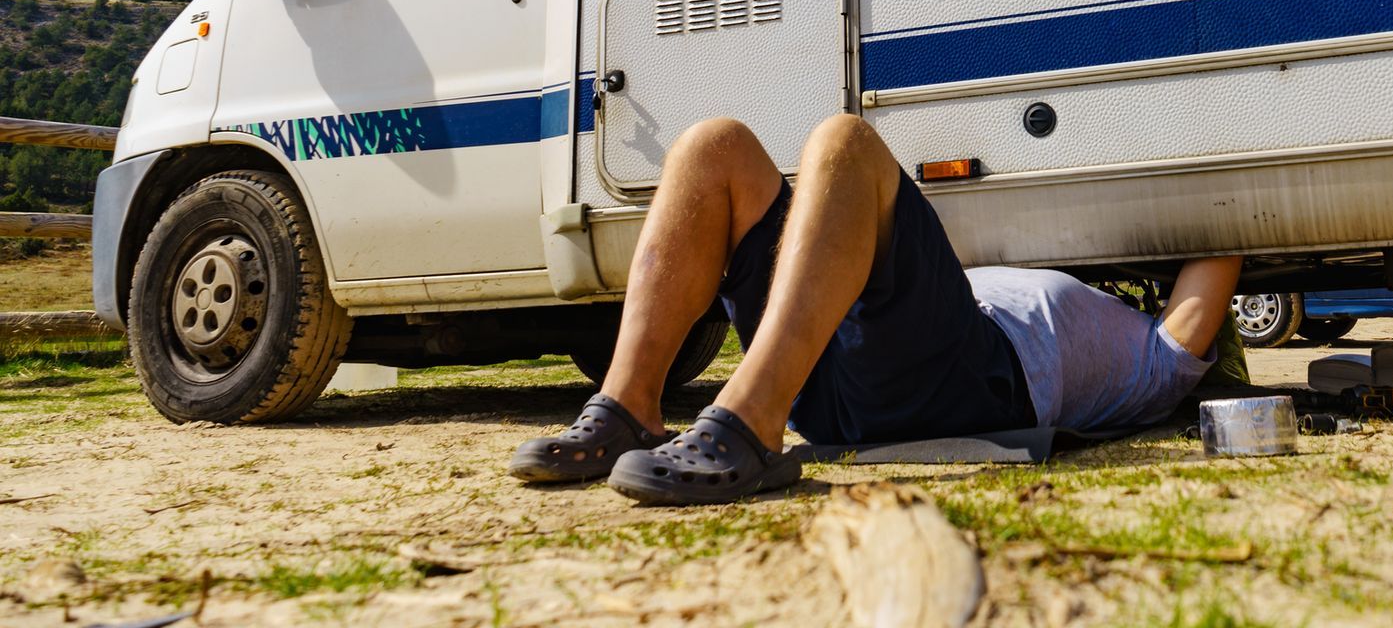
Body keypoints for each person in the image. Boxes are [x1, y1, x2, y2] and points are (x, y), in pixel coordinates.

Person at [509, 114, 1242, 505]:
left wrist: (1240, 200)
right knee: (715, 146)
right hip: (841, 369)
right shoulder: (1079, 307)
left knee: (846, 141)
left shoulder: (1153, 360)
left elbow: (1216, 258)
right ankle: (628, 406)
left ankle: (748, 428)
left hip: (969, 385)